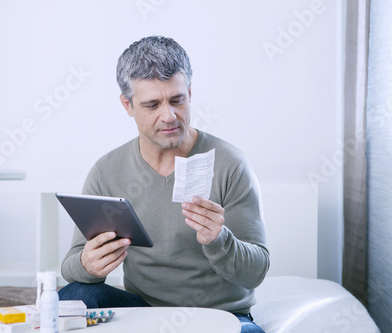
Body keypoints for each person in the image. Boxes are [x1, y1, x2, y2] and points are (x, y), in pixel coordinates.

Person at [59, 35, 270, 333]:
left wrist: (219, 240)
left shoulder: (230, 164)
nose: (168, 116)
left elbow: (256, 272)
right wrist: (88, 264)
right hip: (143, 312)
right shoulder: (107, 171)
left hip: (220, 317)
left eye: (177, 100)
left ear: (190, 92)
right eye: (152, 104)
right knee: (72, 296)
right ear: (127, 105)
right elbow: (71, 266)